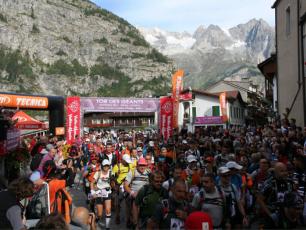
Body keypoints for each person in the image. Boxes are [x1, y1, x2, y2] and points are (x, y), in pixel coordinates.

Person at [256, 162, 295, 228]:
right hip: (272, 214)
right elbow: (259, 200)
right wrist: (270, 214)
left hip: (287, 215)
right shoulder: (269, 183)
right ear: (276, 172)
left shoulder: (289, 182)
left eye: (286, 170)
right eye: (282, 171)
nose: (285, 173)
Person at [124, 158, 149, 228]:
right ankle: (134, 222)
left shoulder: (149, 172)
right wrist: (132, 193)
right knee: (135, 203)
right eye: (140, 165)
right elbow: (125, 186)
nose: (142, 167)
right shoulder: (132, 172)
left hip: (146, 194)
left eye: (144, 165)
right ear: (137, 165)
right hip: (134, 194)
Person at [91, 159, 112, 229]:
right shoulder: (98, 173)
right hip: (99, 192)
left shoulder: (110, 173)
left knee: (108, 210)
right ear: (102, 166)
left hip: (107, 192)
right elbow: (92, 183)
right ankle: (95, 220)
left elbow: (113, 182)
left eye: (107, 166)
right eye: (105, 166)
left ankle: (107, 227)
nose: (106, 167)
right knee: (100, 214)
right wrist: (92, 192)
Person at [111, 153, 132, 224]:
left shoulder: (130, 165)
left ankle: (128, 219)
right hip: (119, 186)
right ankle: (117, 216)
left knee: (128, 204)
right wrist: (114, 184)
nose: (127, 163)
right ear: (122, 160)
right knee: (118, 203)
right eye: (126, 161)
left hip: (127, 186)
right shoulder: (117, 166)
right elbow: (112, 176)